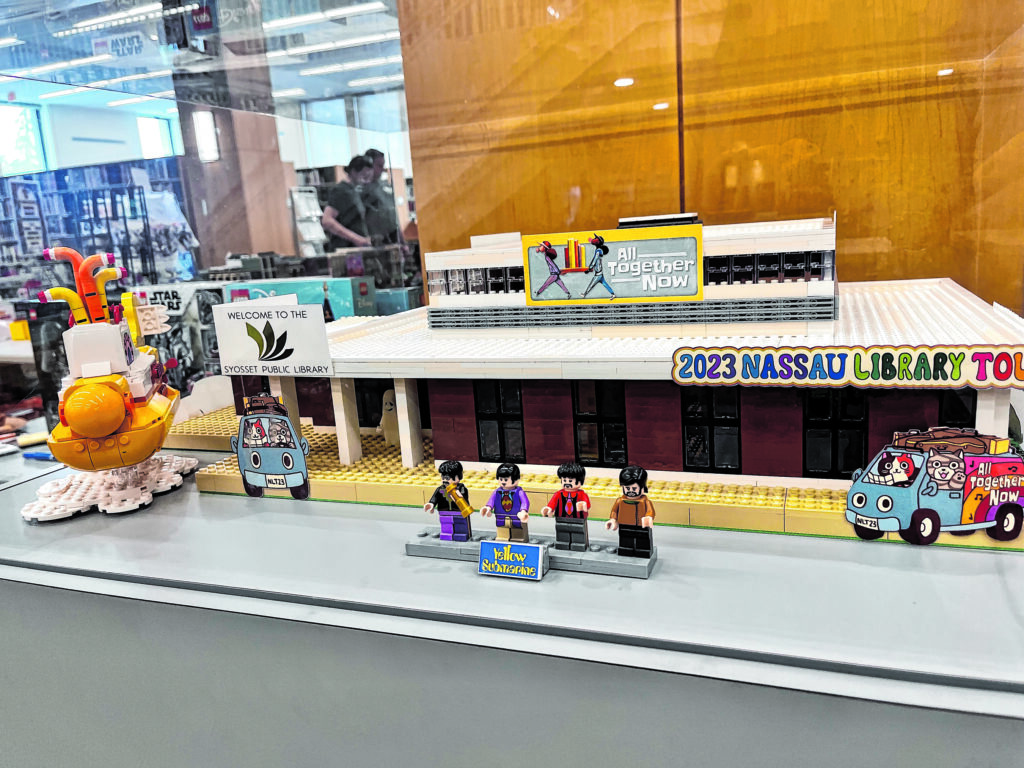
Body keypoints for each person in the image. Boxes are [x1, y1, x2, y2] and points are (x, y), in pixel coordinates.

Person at [321, 155, 374, 250]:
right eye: (364, 176)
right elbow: (327, 221)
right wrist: (356, 239)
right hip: (345, 249)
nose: (366, 181)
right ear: (353, 172)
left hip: (356, 248)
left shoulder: (354, 191)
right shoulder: (340, 190)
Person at [606, 465, 656, 558]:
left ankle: (643, 551)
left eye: (634, 489)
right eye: (628, 488)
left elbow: (650, 511)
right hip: (624, 525)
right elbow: (614, 511)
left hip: (641, 526)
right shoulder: (620, 501)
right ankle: (626, 550)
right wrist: (613, 520)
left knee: (642, 540)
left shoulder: (645, 502)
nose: (630, 491)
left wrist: (649, 517)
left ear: (642, 488)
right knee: (625, 539)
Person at [541, 462, 590, 551]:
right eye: (564, 480)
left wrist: (583, 505)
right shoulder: (558, 494)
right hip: (561, 518)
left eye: (570, 481)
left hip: (578, 519)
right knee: (561, 531)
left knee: (578, 531)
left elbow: (587, 504)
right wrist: (548, 509)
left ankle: (579, 544)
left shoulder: (581, 494)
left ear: (580, 481)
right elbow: (552, 503)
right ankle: (562, 543)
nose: (567, 483)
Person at [424, 459, 473, 542]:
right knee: (446, 523)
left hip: (458, 512)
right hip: (444, 512)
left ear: (458, 477)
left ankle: (461, 535)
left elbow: (464, 501)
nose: (445, 480)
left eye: (447, 478)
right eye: (443, 477)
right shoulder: (440, 489)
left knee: (460, 523)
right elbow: (435, 498)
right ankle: (447, 534)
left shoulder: (461, 489)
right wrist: (431, 504)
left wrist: (458, 494)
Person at [480, 462, 530, 542]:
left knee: (517, 527)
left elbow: (525, 502)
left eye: (506, 479)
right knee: (501, 527)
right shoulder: (497, 492)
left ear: (516, 479)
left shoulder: (519, 492)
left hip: (516, 515)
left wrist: (523, 511)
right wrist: (488, 508)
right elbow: (491, 501)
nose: (503, 482)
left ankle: (518, 538)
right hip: (501, 515)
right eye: (501, 479)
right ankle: (502, 537)